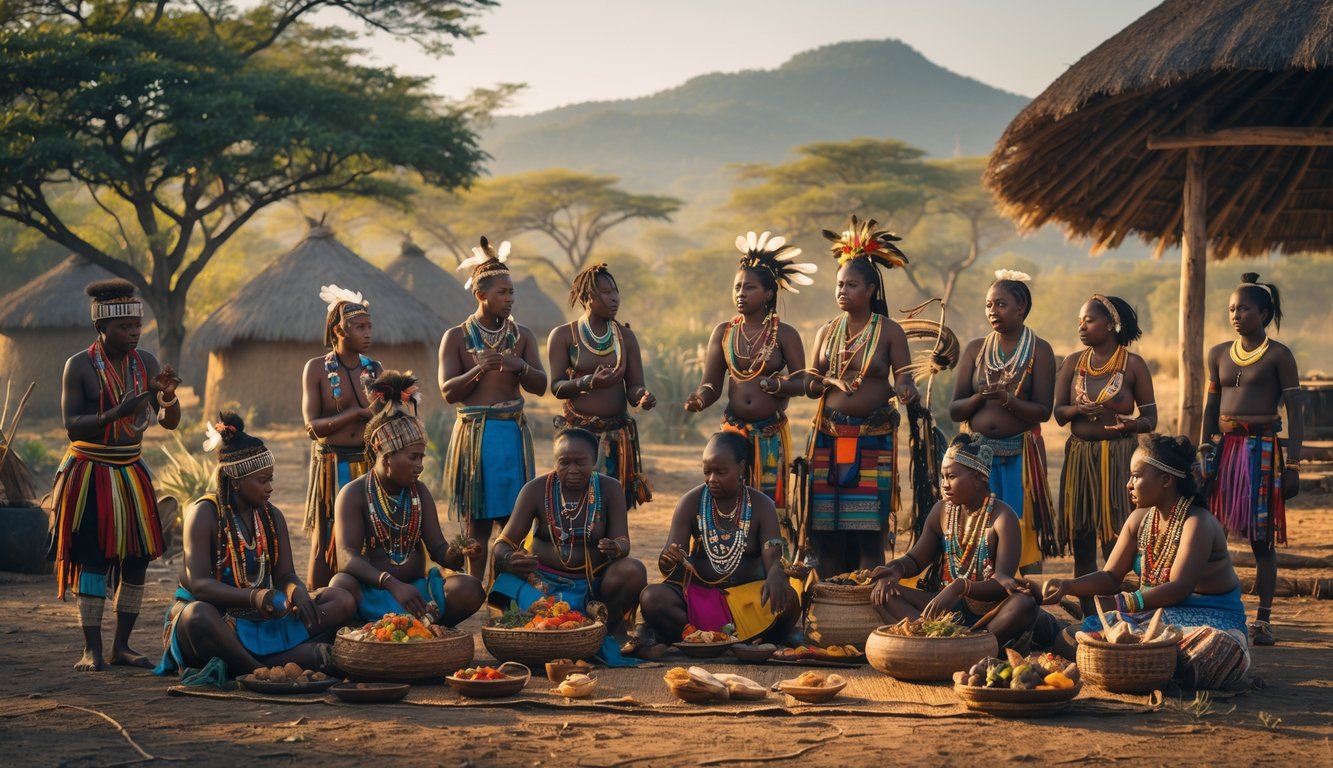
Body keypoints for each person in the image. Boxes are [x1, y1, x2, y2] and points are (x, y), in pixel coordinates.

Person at [1042, 435, 1251, 690]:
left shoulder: (1198, 523)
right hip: (1149, 616)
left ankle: (1135, 660)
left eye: (1136, 476)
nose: (1129, 484)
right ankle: (1146, 663)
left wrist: (1124, 602)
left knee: (1211, 650)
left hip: (1210, 621)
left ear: (1166, 480)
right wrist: (1067, 586)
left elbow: (1180, 587)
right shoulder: (1139, 520)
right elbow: (1110, 577)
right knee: (1070, 638)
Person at [155, 414, 356, 678]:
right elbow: (200, 585)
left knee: (340, 599)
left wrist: (297, 593)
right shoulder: (204, 514)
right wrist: (255, 596)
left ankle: (278, 661)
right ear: (235, 480)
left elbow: (285, 575)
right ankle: (259, 668)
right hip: (219, 622)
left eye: (270, 479)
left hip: (261, 617)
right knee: (197, 615)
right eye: (262, 481)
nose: (270, 488)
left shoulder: (271, 517)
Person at [48, 279, 181, 671]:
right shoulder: (79, 366)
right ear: (101, 328)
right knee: (92, 560)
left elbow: (169, 423)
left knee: (137, 560)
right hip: (89, 471)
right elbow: (73, 426)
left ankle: (121, 646)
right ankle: (91, 649)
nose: (134, 332)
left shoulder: (147, 364)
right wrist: (114, 414)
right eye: (124, 326)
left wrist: (169, 397)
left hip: (131, 472)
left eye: (137, 325)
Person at [799, 215, 919, 577]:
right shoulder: (825, 331)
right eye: (839, 284)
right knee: (825, 531)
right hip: (827, 439)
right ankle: (832, 602)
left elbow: (906, 381)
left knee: (868, 531)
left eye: (852, 285)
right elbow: (809, 385)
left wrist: (906, 390)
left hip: (873, 440)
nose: (842, 291)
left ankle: (867, 605)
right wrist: (831, 382)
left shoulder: (890, 332)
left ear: (870, 291)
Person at [685, 231, 815, 550]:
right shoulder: (724, 332)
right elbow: (712, 383)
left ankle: (769, 560)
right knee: (728, 500)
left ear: (769, 293)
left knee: (769, 502)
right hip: (732, 435)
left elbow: (805, 381)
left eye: (750, 287)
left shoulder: (785, 334)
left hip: (770, 435)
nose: (741, 293)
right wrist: (700, 397)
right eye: (737, 286)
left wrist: (779, 384)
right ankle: (728, 554)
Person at [332, 372, 486, 626]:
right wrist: (390, 583)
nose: (420, 466)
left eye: (422, 458)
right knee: (340, 587)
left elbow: (437, 548)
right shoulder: (354, 493)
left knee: (469, 588)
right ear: (384, 454)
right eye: (413, 457)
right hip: (374, 592)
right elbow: (346, 556)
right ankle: (370, 633)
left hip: (418, 595)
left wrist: (458, 554)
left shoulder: (419, 492)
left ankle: (423, 628)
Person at [1201, 273, 1303, 646]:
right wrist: (1203, 450)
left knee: (1262, 540)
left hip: (1262, 450)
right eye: (1231, 308)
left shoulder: (1279, 355)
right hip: (1224, 450)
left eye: (1244, 308)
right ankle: (1217, 611)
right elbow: (1211, 407)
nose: (1236, 314)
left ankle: (1263, 620)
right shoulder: (1217, 353)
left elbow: (1296, 410)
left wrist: (1293, 464)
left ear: (1264, 312)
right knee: (1212, 534)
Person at [868, 435, 1039, 650]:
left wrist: (961, 586)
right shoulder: (942, 511)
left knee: (1024, 604)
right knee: (884, 592)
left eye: (951, 476)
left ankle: (955, 643)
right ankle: (940, 639)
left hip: (988, 614)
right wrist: (894, 570)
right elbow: (915, 560)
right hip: (947, 608)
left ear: (978, 477)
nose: (944, 485)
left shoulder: (1003, 518)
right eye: (942, 477)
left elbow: (1000, 586)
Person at [439, 237, 547, 579]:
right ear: (481, 295)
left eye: (512, 292)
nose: (510, 298)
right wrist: (479, 369)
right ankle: (473, 586)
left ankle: (504, 591)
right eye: (503, 292)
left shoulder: (523, 336)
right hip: (475, 436)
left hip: (511, 434)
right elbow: (448, 392)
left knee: (513, 518)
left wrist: (519, 366)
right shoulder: (456, 337)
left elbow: (541, 386)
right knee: (477, 520)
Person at [639, 432, 801, 646]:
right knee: (652, 597)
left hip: (748, 602)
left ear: (741, 468)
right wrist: (669, 560)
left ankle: (742, 641)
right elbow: (671, 557)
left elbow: (773, 556)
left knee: (789, 599)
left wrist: (775, 573)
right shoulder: (690, 502)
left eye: (721, 472)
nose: (712, 479)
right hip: (700, 599)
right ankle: (705, 639)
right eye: (707, 472)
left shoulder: (762, 506)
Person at [489, 428, 648, 646]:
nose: (572, 470)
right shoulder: (535, 490)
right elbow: (503, 543)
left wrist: (615, 547)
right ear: (555, 461)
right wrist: (510, 559)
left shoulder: (610, 488)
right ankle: (555, 624)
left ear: (594, 461)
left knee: (633, 570)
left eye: (580, 462)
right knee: (517, 594)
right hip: (540, 587)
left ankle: (607, 630)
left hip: (592, 587)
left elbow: (623, 541)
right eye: (564, 462)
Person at [1053, 294, 1156, 616]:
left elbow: (1151, 419)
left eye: (1089, 320)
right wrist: (1077, 408)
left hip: (1120, 458)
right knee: (1082, 535)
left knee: (1117, 536)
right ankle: (1088, 618)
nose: (1081, 327)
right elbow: (1058, 414)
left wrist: (1131, 423)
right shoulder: (1072, 362)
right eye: (1080, 321)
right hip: (1081, 458)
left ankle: (1121, 612)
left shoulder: (1133, 364)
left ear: (1111, 324)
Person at [949, 269, 1057, 572]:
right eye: (988, 305)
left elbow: (1043, 411)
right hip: (977, 459)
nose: (992, 311)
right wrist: (979, 398)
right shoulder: (976, 349)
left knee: (1022, 526)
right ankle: (978, 593)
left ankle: (1026, 598)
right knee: (979, 526)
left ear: (1021, 307)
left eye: (1001, 304)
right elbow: (956, 410)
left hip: (1021, 455)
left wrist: (1010, 401)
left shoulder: (1040, 350)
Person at [549, 263, 656, 509]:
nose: (614, 298)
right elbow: (556, 387)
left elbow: (634, 387)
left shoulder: (625, 337)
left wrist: (642, 397)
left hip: (616, 436)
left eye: (615, 291)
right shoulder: (565, 336)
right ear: (587, 298)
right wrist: (588, 382)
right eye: (606, 292)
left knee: (613, 502)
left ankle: (611, 544)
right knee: (576, 500)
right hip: (578, 437)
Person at [301, 284, 382, 589]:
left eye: (369, 326)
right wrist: (357, 414)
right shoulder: (316, 369)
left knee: (368, 536)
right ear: (339, 330)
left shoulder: (374, 369)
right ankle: (318, 607)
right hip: (331, 465)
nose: (368, 333)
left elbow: (384, 416)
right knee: (326, 538)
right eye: (360, 327)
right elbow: (313, 427)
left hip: (368, 464)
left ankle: (360, 603)